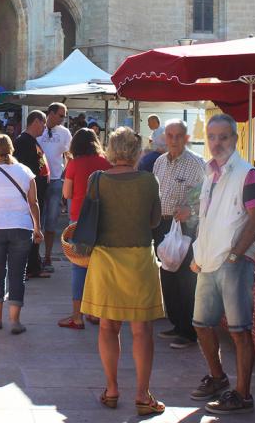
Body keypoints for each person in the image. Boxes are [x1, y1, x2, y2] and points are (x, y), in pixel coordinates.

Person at [81, 127, 165, 416]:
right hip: (140, 257)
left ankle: (112, 389)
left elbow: (88, 219)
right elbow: (154, 221)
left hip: (105, 258)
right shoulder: (148, 181)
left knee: (108, 326)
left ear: (112, 150)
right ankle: (143, 395)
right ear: (136, 151)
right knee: (142, 330)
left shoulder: (97, 180)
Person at [189, 114, 255, 415]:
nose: (217, 143)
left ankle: (243, 394)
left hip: (233, 262)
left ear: (234, 139)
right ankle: (218, 378)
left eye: (223, 137)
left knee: (239, 330)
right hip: (208, 262)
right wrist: (198, 254)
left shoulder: (247, 174)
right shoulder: (210, 175)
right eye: (212, 137)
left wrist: (235, 254)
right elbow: (206, 220)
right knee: (201, 325)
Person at [0, 134, 44, 333]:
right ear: (11, 150)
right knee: (18, 273)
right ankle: (15, 321)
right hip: (21, 227)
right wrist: (37, 227)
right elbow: (34, 202)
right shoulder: (25, 171)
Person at [152, 120, 205, 350]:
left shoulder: (196, 164)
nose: (173, 140)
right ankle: (176, 322)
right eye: (169, 135)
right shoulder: (160, 162)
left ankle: (188, 331)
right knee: (167, 276)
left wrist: (191, 211)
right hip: (162, 226)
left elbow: (206, 196)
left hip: (184, 227)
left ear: (186, 138)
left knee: (185, 279)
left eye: (177, 136)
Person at [60, 128, 112, 330]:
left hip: (78, 221)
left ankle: (77, 316)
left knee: (79, 267)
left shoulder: (74, 164)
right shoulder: (106, 163)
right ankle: (96, 314)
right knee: (99, 268)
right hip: (102, 219)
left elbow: (66, 193)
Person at [13, 110, 50, 279]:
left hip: (37, 194)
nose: (44, 127)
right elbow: (26, 171)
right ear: (35, 122)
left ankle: (34, 265)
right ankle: (27, 267)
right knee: (30, 230)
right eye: (43, 123)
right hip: (29, 196)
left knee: (35, 229)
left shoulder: (32, 141)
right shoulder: (23, 142)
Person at [37, 102, 72, 272]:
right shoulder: (37, 129)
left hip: (56, 181)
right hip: (38, 181)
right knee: (36, 220)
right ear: (50, 113)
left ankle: (48, 256)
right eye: (61, 115)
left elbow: (69, 155)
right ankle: (35, 256)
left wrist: (68, 177)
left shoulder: (64, 133)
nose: (63, 119)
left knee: (51, 220)